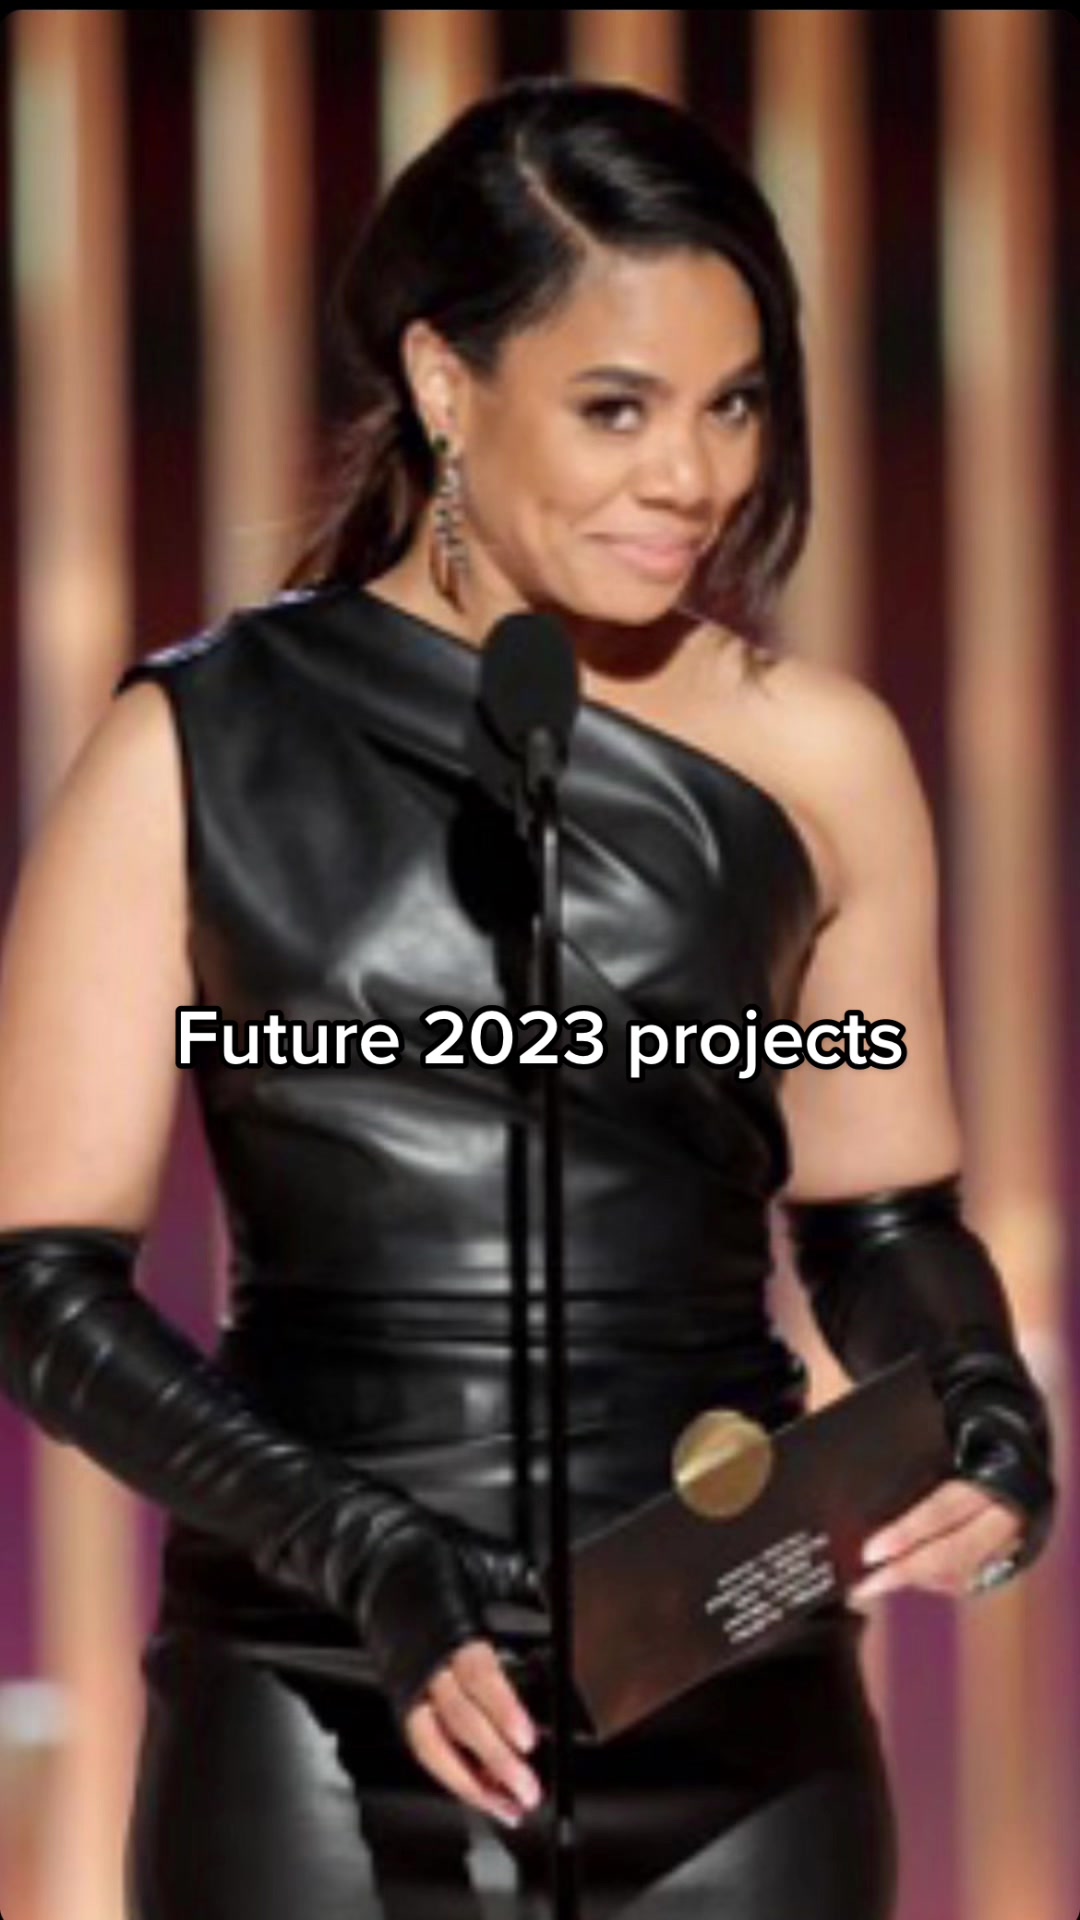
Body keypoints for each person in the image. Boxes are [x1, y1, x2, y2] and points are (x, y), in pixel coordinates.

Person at [0, 74, 1055, 1920]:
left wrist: (976, 1392)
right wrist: (358, 1548)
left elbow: (879, 1218)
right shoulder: (199, 744)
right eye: (617, 408)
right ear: (442, 382)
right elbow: (37, 1280)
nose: (694, 478)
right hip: (323, 1687)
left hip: (728, 1677)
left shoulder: (822, 752)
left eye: (735, 404)